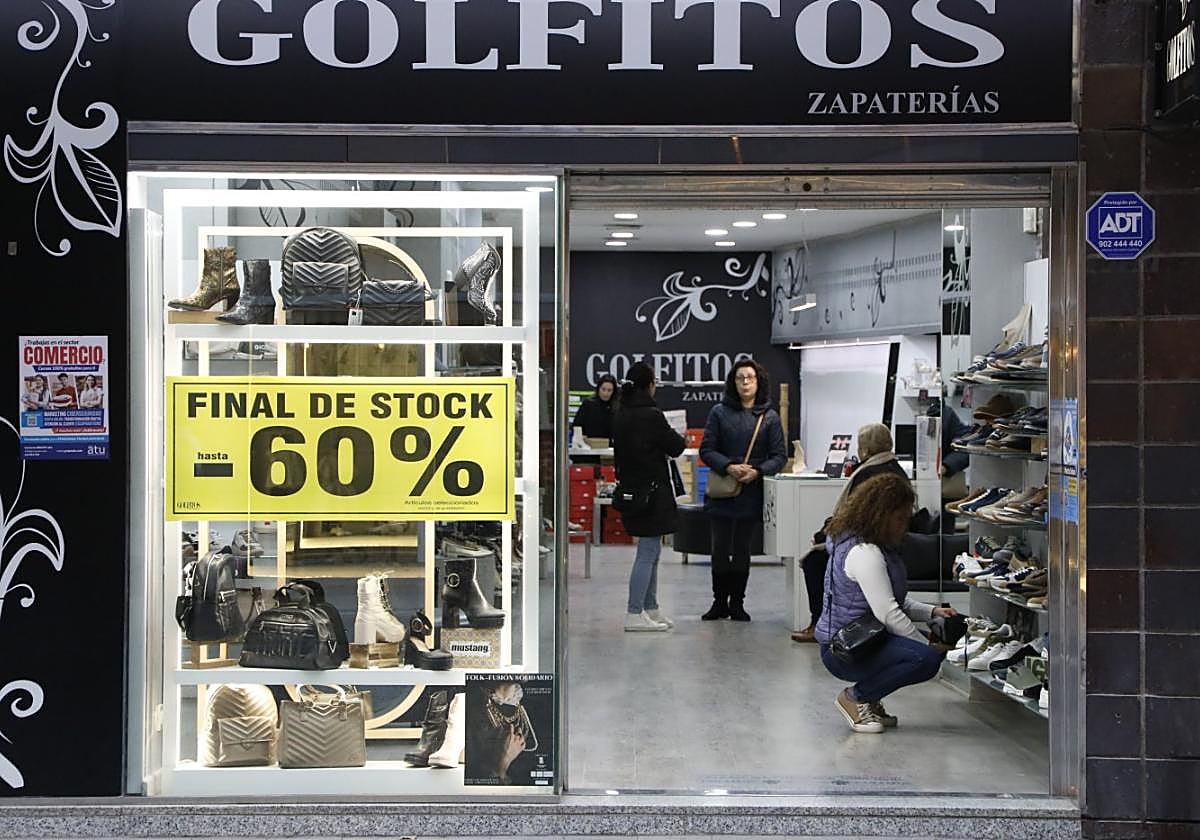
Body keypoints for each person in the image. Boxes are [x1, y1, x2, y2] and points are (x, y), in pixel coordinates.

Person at [815, 473, 956, 734]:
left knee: (924, 649)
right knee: (924, 658)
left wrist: (932, 612)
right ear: (880, 515)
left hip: (862, 639)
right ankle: (855, 698)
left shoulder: (873, 546)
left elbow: (891, 600)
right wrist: (926, 647)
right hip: (845, 650)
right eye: (899, 518)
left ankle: (869, 697)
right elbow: (888, 612)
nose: (904, 526)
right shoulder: (864, 553)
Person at [792, 423, 909, 643]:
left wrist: (824, 535)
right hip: (882, 540)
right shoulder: (893, 468)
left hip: (870, 541)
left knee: (815, 561)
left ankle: (820, 622)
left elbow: (853, 515)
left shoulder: (870, 474)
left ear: (865, 449)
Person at [698, 359, 786, 622]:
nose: (745, 382)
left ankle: (737, 603)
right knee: (719, 548)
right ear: (733, 383)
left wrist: (757, 471)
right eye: (740, 378)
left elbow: (779, 456)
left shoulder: (770, 417)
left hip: (751, 492)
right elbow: (706, 449)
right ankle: (719, 602)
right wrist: (729, 466)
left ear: (759, 382)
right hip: (723, 491)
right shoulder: (719, 412)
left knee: (742, 549)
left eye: (750, 377)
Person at [611, 361, 686, 632]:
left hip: (632, 492)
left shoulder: (621, 413)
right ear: (650, 385)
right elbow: (676, 446)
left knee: (651, 551)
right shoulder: (652, 415)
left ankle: (650, 608)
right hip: (653, 494)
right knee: (648, 553)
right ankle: (634, 612)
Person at [573, 374, 618, 443]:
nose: (606, 393)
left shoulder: (616, 406)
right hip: (589, 445)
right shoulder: (588, 404)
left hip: (609, 446)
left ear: (613, 391)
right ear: (598, 388)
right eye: (603, 389)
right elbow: (577, 425)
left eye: (609, 390)